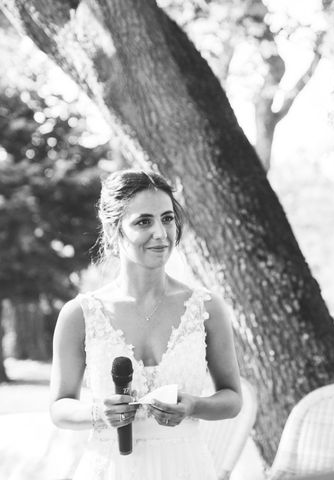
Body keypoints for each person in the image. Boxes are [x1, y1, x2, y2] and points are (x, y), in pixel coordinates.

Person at [49, 169, 242, 479]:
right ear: (114, 230)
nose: (161, 233)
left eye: (167, 218)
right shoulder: (80, 315)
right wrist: (99, 412)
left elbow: (232, 399)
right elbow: (59, 407)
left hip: (186, 468)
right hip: (111, 468)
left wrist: (192, 406)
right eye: (143, 221)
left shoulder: (207, 308)